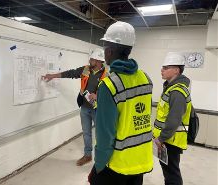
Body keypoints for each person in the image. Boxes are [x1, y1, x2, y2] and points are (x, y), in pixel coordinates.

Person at [88, 21, 153, 185]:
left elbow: (105, 136)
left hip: (118, 164)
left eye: (105, 48)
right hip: (141, 160)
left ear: (109, 51)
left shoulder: (109, 86)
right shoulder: (145, 78)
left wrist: (98, 166)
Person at [42, 48, 107, 166]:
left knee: (100, 134)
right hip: (85, 107)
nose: (90, 60)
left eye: (92, 59)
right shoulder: (86, 69)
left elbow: (111, 91)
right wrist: (53, 75)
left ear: (98, 61)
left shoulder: (107, 74)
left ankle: (100, 159)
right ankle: (87, 155)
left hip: (98, 109)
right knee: (86, 132)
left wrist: (98, 95)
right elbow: (70, 73)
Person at [153, 52, 192, 185]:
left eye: (165, 67)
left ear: (176, 70)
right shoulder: (171, 88)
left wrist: (161, 138)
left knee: (172, 174)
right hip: (167, 140)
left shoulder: (177, 92)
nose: (162, 70)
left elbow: (173, 120)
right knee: (169, 173)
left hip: (170, 141)